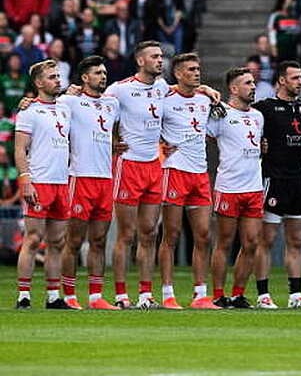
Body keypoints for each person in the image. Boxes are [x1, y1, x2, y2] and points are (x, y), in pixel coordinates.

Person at [106, 41, 217, 310]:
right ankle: (121, 296)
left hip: (154, 166)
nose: (160, 60)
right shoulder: (120, 89)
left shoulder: (161, 89)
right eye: (155, 56)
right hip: (129, 164)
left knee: (149, 233)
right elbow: (95, 106)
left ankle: (146, 294)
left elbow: (183, 90)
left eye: (161, 56)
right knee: (126, 234)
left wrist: (203, 88)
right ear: (141, 61)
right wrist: (111, 140)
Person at [58, 56, 120, 310]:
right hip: (80, 178)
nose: (103, 76)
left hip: (105, 179)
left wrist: (117, 143)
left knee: (99, 240)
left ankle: (96, 297)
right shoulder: (69, 101)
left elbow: (114, 132)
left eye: (104, 72)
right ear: (84, 77)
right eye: (97, 73)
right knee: (73, 240)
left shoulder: (112, 104)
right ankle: (70, 295)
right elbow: (43, 103)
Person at [157, 53, 218, 310]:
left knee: (203, 235)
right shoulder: (165, 99)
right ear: (178, 74)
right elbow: (146, 123)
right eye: (191, 69)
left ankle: (200, 294)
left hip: (200, 174)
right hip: (174, 171)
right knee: (171, 235)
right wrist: (160, 146)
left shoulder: (206, 99)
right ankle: (168, 294)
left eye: (198, 68)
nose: (197, 73)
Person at [251, 61, 301, 309]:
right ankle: (263, 294)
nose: (300, 82)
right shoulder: (264, 108)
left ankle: (295, 294)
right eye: (295, 78)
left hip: (298, 179)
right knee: (266, 239)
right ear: (282, 80)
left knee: (296, 239)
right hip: (274, 179)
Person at [15, 59, 71, 309]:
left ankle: (52, 296)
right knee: (33, 239)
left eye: (58, 76)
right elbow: (19, 148)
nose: (57, 80)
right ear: (38, 82)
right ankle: (24, 295)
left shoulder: (65, 108)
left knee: (58, 242)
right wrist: (25, 179)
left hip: (61, 181)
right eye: (51, 77)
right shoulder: (28, 111)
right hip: (39, 181)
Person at [208, 67, 265, 309]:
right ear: (233, 89)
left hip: (253, 186)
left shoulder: (258, 116)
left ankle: (238, 293)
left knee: (251, 243)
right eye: (247, 83)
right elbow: (205, 135)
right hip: (229, 186)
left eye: (253, 83)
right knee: (224, 242)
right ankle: (218, 295)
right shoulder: (221, 115)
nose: (253, 87)